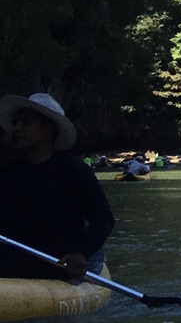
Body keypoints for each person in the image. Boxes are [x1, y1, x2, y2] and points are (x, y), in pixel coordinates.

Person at [0, 93, 115, 282]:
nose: (17, 128)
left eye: (26, 122)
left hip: (57, 265)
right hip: (12, 264)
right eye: (16, 122)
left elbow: (102, 219)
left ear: (48, 128)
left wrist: (81, 253)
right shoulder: (7, 175)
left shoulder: (75, 171)